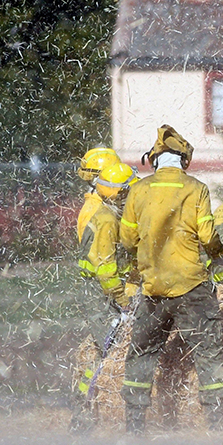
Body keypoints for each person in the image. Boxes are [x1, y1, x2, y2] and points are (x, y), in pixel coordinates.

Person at [119, 125, 223, 433]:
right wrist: (219, 255)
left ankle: (135, 426)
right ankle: (219, 427)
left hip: (153, 290)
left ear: (154, 159)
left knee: (141, 354)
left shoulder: (139, 190)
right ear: (184, 160)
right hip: (191, 287)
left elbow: (127, 240)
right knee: (208, 354)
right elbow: (207, 236)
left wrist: (142, 260)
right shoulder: (196, 188)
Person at [71, 161, 139, 431]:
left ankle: (85, 409)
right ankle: (82, 415)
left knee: (102, 349)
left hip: (100, 290)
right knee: (107, 348)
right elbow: (106, 270)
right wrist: (124, 301)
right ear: (121, 194)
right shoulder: (108, 221)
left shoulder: (108, 214)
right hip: (99, 293)